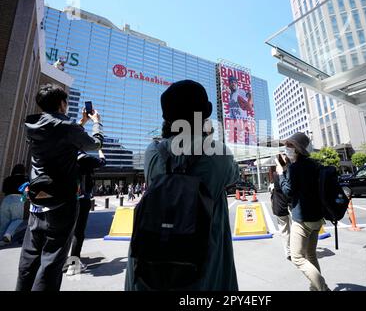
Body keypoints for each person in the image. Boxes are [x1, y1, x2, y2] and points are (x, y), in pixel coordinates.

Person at [125, 80, 240, 291]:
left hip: (151, 268)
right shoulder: (219, 153)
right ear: (202, 116)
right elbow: (234, 175)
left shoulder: (153, 152)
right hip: (203, 269)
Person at [16, 84, 103, 291]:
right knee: (51, 263)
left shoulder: (34, 124)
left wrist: (80, 122)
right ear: (62, 104)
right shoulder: (66, 128)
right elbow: (95, 145)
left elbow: (61, 138)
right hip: (61, 201)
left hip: (37, 200)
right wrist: (96, 123)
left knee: (29, 259)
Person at [277, 132, 330, 291]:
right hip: (317, 217)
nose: (286, 148)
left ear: (298, 148)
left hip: (303, 219)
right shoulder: (314, 164)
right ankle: (315, 288)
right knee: (311, 254)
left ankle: (322, 287)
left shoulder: (295, 167)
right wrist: (287, 168)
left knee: (297, 257)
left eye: (290, 145)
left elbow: (288, 191)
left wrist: (282, 173)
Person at [66, 149, 106, 276]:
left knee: (64, 232)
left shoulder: (63, 155)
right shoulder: (84, 158)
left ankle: (59, 262)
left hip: (64, 200)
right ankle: (73, 265)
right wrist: (100, 150)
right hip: (82, 199)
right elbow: (102, 162)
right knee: (78, 232)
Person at [270, 155, 293, 261]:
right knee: (292, 229)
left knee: (285, 231)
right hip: (288, 206)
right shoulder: (287, 173)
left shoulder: (276, 174)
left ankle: (289, 252)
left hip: (280, 206)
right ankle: (293, 251)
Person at [1, 164, 30, 246]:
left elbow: (4, 190)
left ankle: (1, 239)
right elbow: (26, 191)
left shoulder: (8, 179)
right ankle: (8, 234)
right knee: (17, 219)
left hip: (7, 199)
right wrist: (24, 200)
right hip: (18, 199)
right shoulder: (25, 179)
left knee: (3, 221)